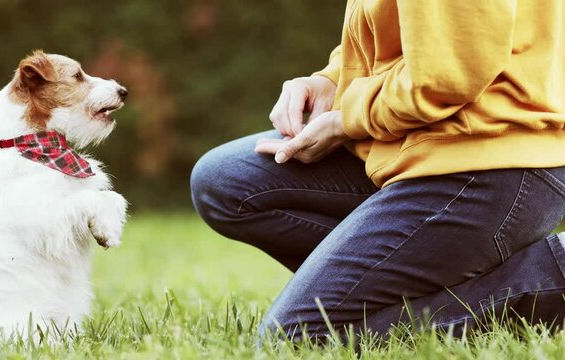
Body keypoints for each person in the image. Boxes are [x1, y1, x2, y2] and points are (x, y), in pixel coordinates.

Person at [190, 0, 565, 343]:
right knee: (227, 181)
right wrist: (333, 80)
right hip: (418, 141)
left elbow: (449, 74)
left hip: (491, 159)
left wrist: (348, 119)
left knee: (298, 338)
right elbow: (399, 30)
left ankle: (549, 275)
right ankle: (412, 284)